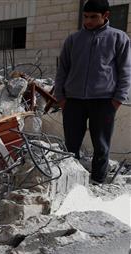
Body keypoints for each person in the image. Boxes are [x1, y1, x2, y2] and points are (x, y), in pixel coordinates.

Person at [54, 0, 131, 184]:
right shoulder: (73, 40)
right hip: (73, 102)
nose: (88, 21)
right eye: (86, 17)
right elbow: (62, 70)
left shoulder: (119, 38)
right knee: (70, 146)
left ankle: (97, 182)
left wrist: (118, 99)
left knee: (101, 146)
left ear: (106, 16)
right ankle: (70, 183)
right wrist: (61, 97)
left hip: (104, 102)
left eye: (93, 17)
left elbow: (126, 71)